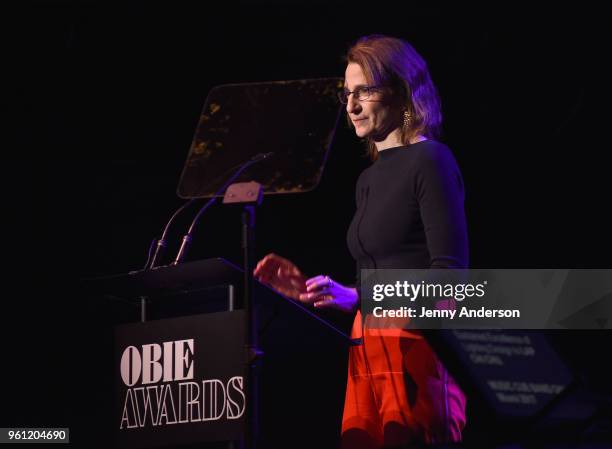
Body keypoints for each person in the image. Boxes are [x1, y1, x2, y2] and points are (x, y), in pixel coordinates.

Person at [253, 34, 468, 448]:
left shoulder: (431, 160)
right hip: (364, 348)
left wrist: (360, 297)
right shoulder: (368, 179)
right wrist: (311, 292)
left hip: (416, 348)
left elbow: (450, 279)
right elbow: (365, 284)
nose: (350, 106)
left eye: (364, 91)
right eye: (346, 94)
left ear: (402, 92)